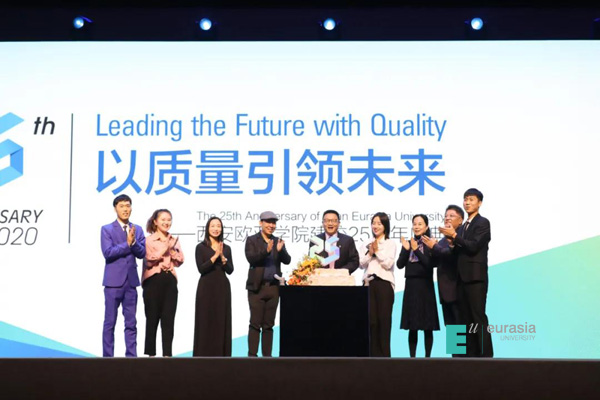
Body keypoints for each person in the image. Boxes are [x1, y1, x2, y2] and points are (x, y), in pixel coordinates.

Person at [440, 188, 493, 357]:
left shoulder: (482, 223)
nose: (467, 202)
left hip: (475, 277)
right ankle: (470, 359)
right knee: (465, 320)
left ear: (480, 203)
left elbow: (474, 246)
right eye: (465, 199)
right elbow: (455, 252)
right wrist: (451, 242)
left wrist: (454, 237)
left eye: (471, 199)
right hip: (458, 281)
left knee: (477, 318)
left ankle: (486, 357)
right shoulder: (461, 229)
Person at [100, 194, 146, 357]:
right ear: (115, 209)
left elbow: (142, 253)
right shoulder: (107, 229)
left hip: (131, 283)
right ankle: (108, 358)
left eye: (128, 206)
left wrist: (133, 243)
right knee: (110, 323)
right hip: (113, 283)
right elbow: (108, 252)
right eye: (122, 206)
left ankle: (131, 358)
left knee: (131, 324)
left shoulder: (137, 229)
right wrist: (127, 244)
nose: (125, 209)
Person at [245, 211, 291, 357]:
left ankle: (267, 358)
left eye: (273, 223)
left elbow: (287, 260)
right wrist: (266, 251)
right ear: (261, 223)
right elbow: (251, 258)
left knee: (269, 325)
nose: (271, 225)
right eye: (268, 222)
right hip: (257, 288)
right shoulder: (252, 240)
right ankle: (252, 357)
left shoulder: (277, 241)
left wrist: (280, 251)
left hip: (273, 288)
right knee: (255, 324)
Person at [397, 214, 440, 358]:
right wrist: (406, 249)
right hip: (411, 286)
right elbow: (399, 265)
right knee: (412, 325)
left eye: (420, 224)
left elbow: (430, 264)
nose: (416, 227)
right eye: (414, 224)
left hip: (425, 285)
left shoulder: (430, 243)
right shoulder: (409, 243)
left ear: (426, 227)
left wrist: (416, 250)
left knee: (428, 325)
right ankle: (412, 358)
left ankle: (428, 358)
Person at [142, 209, 184, 357]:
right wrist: (164, 250)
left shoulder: (173, 240)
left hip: (170, 281)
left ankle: (167, 355)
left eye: (169, 220)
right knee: (152, 318)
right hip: (153, 281)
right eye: (163, 219)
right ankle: (151, 355)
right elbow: (148, 260)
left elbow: (180, 260)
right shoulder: (149, 240)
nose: (167, 222)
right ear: (155, 222)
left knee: (168, 319)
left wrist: (172, 251)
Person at [193, 216, 234, 357]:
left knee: (221, 320)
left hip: (222, 287)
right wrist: (215, 256)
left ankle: (222, 356)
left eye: (218, 226)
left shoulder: (226, 248)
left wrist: (223, 258)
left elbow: (230, 270)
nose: (216, 229)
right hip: (206, 287)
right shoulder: (201, 247)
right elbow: (201, 268)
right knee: (205, 320)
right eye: (213, 226)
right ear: (207, 228)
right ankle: (202, 356)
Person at [358, 212, 396, 357]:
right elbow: (361, 264)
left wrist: (377, 251)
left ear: (385, 226)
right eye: (374, 223)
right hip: (368, 284)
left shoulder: (390, 243)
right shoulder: (366, 242)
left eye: (379, 223)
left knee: (384, 321)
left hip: (384, 284)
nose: (375, 226)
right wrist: (370, 252)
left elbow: (388, 264)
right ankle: (371, 357)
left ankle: (385, 358)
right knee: (371, 322)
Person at [422, 205, 463, 327]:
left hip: (458, 291)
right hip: (445, 292)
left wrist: (434, 247)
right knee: (451, 328)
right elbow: (435, 262)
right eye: (446, 216)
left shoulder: (461, 237)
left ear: (460, 220)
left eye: (451, 216)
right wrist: (430, 249)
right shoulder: (442, 241)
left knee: (461, 326)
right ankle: (453, 342)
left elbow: (452, 255)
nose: (447, 218)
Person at [308, 209, 359, 273]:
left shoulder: (347, 240)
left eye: (333, 221)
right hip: (321, 277)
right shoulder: (315, 240)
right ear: (323, 223)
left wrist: (340, 272)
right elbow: (311, 261)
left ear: (338, 223)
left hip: (342, 277)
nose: (330, 223)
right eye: (327, 221)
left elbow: (354, 261)